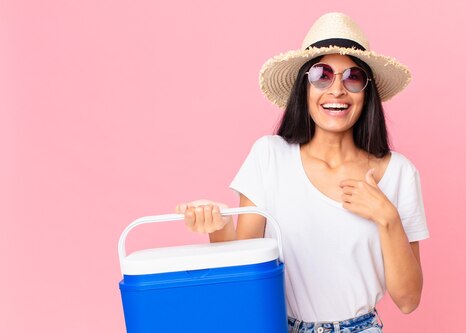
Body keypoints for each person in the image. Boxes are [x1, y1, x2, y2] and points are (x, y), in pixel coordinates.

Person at [176, 12, 429, 333]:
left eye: (352, 77)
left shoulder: (399, 172)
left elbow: (408, 300)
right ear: (303, 88)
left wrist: (386, 216)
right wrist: (219, 226)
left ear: (366, 93)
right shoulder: (270, 156)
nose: (337, 89)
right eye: (321, 74)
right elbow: (242, 279)